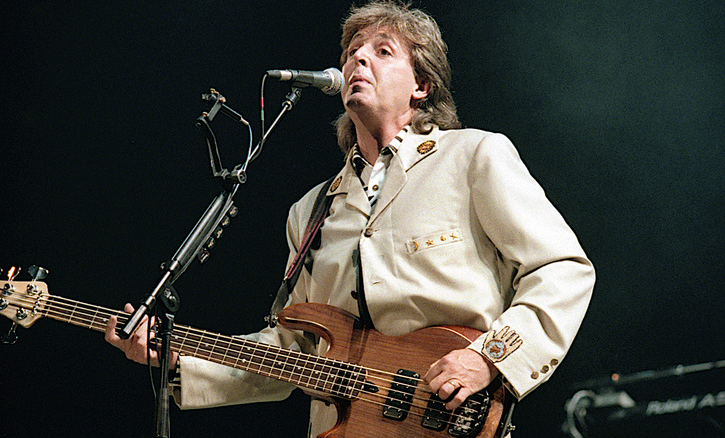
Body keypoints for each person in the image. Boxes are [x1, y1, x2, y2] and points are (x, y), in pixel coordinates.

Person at [106, 1, 595, 436]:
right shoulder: (311, 210)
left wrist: (489, 358)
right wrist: (174, 356)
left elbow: (562, 269)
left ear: (421, 86)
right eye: (353, 50)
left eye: (383, 51)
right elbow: (293, 349)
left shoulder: (473, 157)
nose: (358, 58)